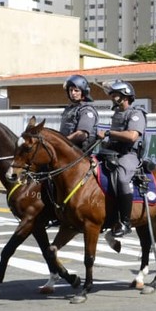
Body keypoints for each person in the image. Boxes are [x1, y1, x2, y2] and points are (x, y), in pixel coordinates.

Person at [95, 80, 145, 237]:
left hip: (128, 154)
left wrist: (109, 133)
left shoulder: (136, 114)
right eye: (112, 95)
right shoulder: (117, 114)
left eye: (116, 95)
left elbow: (132, 136)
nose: (113, 98)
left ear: (125, 96)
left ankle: (125, 222)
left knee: (122, 180)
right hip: (112, 153)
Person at [59, 74, 99, 149]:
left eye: (76, 90)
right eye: (71, 90)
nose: (73, 93)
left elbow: (82, 135)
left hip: (79, 152)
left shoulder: (86, 110)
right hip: (66, 149)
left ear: (83, 92)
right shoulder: (69, 109)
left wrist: (62, 141)